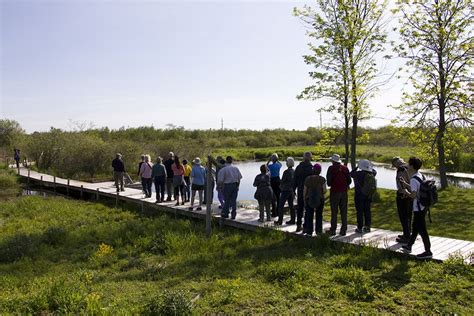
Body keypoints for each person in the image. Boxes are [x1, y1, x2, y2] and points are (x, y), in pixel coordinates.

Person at [400, 157, 433, 259]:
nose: (407, 165)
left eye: (409, 164)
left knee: (422, 230)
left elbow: (414, 195)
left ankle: (428, 252)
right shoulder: (420, 175)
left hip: (418, 207)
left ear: (412, 166)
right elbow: (418, 188)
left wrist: (405, 191)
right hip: (424, 206)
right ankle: (409, 246)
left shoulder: (414, 178)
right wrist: (406, 184)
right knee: (415, 227)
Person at [325, 154, 351, 236]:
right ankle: (343, 230)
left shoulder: (331, 168)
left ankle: (333, 230)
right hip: (344, 192)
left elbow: (328, 183)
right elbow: (349, 181)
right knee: (344, 212)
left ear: (333, 161)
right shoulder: (345, 168)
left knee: (334, 212)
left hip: (335, 192)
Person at [350, 159, 377, 233]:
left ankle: (360, 227)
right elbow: (374, 171)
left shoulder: (358, 174)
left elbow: (351, 173)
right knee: (367, 211)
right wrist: (369, 167)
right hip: (368, 195)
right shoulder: (372, 173)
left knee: (360, 212)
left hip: (359, 195)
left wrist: (357, 167)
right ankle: (367, 227)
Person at [292, 151, 314, 232]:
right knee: (307, 209)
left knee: (300, 208)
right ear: (310, 158)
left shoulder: (298, 167)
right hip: (309, 191)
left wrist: (293, 190)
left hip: (300, 190)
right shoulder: (311, 168)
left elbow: (294, 180)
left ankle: (298, 225)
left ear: (304, 157)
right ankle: (305, 227)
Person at [392, 157, 412, 243]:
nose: (395, 167)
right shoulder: (410, 167)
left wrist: (403, 193)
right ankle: (407, 233)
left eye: (394, 165)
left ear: (396, 164)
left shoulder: (401, 170)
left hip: (403, 195)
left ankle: (406, 237)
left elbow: (401, 183)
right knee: (409, 216)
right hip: (411, 195)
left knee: (403, 216)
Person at [303, 163, 327, 236]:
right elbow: (325, 190)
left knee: (309, 215)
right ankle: (318, 231)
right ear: (320, 171)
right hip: (320, 199)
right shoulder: (322, 179)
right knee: (319, 215)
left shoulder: (307, 178)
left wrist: (304, 198)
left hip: (309, 198)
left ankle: (309, 231)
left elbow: (305, 190)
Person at [275, 157, 295, 226]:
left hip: (285, 190)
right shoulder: (294, 171)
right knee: (291, 206)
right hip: (291, 190)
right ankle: (293, 220)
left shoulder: (286, 172)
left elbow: (283, 181)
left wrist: (280, 186)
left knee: (281, 206)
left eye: (286, 162)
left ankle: (280, 221)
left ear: (288, 163)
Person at [267, 153, 282, 217]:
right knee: (278, 197)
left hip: (272, 181)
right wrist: (277, 159)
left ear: (272, 160)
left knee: (273, 197)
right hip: (278, 180)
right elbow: (281, 164)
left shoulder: (270, 166)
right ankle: (279, 212)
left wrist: (269, 160)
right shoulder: (278, 165)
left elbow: (266, 166)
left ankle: (274, 212)